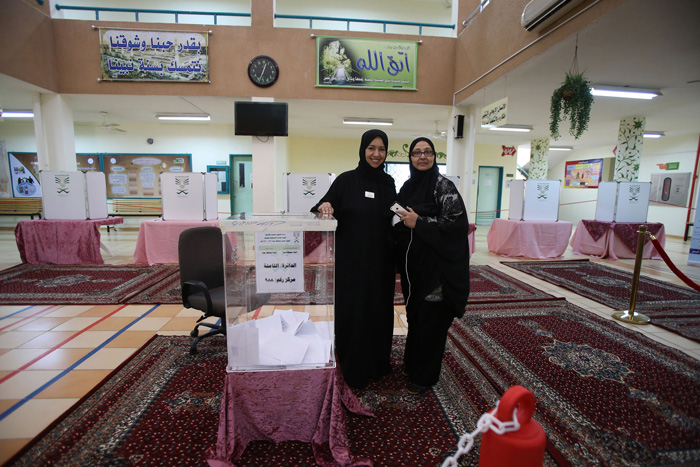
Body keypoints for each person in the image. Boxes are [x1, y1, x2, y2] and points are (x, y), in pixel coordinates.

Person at [311, 129, 397, 389]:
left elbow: (393, 215)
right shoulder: (346, 181)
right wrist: (324, 206)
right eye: (372, 148)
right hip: (351, 263)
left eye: (381, 149)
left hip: (381, 262)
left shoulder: (388, 183)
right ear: (362, 149)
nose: (376, 154)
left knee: (378, 311)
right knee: (353, 311)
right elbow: (323, 205)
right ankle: (351, 365)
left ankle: (377, 363)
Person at [393, 137, 470, 395]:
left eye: (427, 152)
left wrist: (421, 223)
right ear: (410, 158)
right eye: (416, 152)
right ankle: (414, 365)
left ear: (435, 156)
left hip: (437, 269)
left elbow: (456, 227)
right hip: (414, 269)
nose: (422, 157)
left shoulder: (443, 186)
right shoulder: (407, 187)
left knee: (432, 321)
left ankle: (425, 376)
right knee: (416, 316)